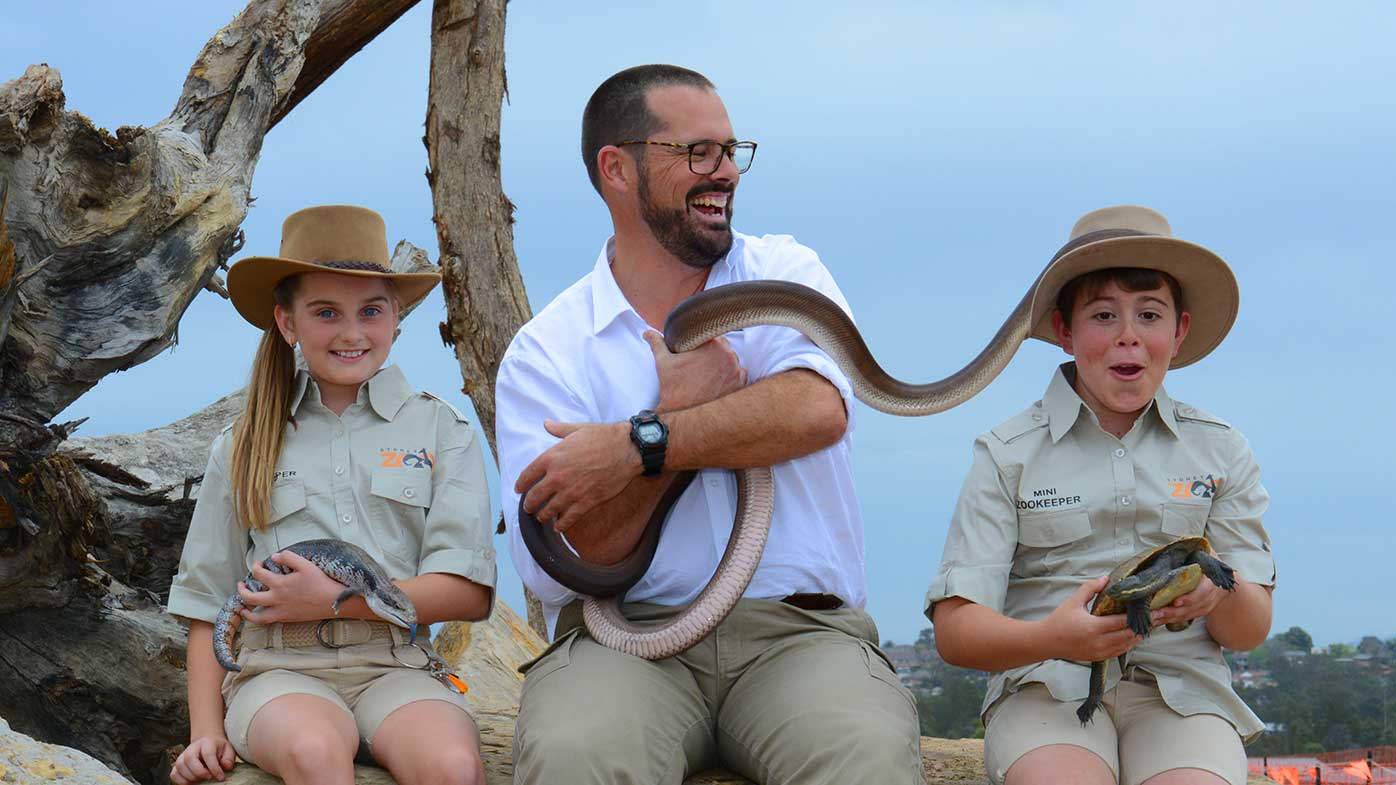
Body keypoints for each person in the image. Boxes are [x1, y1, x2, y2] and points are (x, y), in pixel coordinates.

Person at [496, 64, 923, 784]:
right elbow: (576, 553)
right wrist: (677, 414)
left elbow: (816, 408)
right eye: (697, 153)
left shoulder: (785, 272)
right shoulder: (549, 349)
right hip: (624, 644)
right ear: (616, 170)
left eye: (731, 151)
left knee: (865, 757)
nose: (724, 172)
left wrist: (639, 445)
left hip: (800, 638)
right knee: (573, 755)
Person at [925, 205, 1276, 785]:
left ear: (1179, 331)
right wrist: (1053, 637)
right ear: (1065, 331)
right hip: (1045, 687)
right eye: (1104, 315)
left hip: (1183, 696)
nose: (1129, 336)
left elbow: (1250, 630)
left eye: (1149, 314)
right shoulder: (1007, 453)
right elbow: (956, 631)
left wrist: (1218, 597)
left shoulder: (1222, 450)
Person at [166, 205, 496, 785]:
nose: (352, 332)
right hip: (279, 671)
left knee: (452, 766)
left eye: (372, 310)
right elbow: (204, 601)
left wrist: (335, 599)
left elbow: (466, 592)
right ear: (288, 324)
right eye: (325, 313)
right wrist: (205, 732)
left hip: (398, 668)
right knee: (316, 753)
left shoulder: (443, 431)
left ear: (397, 317)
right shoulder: (241, 444)